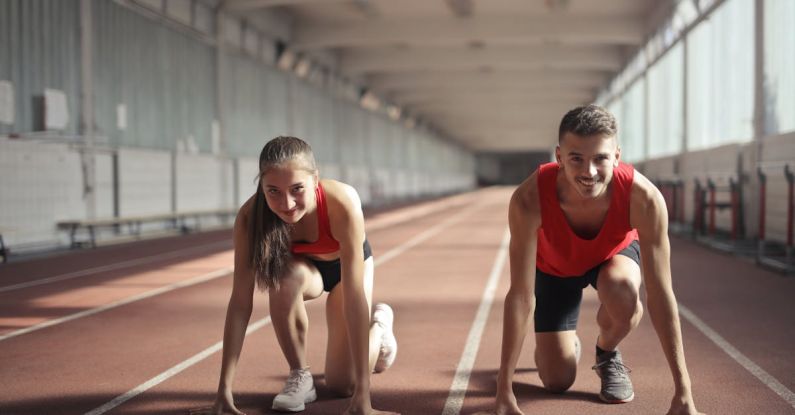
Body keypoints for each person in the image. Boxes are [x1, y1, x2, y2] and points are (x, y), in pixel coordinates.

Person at [487, 105, 704, 415]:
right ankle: (561, 346)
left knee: (623, 295)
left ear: (616, 156)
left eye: (600, 159)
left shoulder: (644, 199)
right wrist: (503, 391)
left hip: (611, 258)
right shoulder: (528, 199)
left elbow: (660, 294)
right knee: (556, 380)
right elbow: (521, 295)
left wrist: (684, 393)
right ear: (559, 157)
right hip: (554, 268)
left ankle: (607, 351)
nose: (589, 172)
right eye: (576, 159)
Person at [197, 136, 399, 415]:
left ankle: (380, 328)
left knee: (343, 385)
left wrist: (364, 398)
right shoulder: (249, 218)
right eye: (273, 192)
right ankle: (300, 376)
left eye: (297, 189)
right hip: (305, 271)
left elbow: (354, 298)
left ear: (315, 180)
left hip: (347, 271)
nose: (287, 203)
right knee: (283, 278)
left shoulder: (342, 202)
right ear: (262, 187)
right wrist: (224, 392)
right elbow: (240, 303)